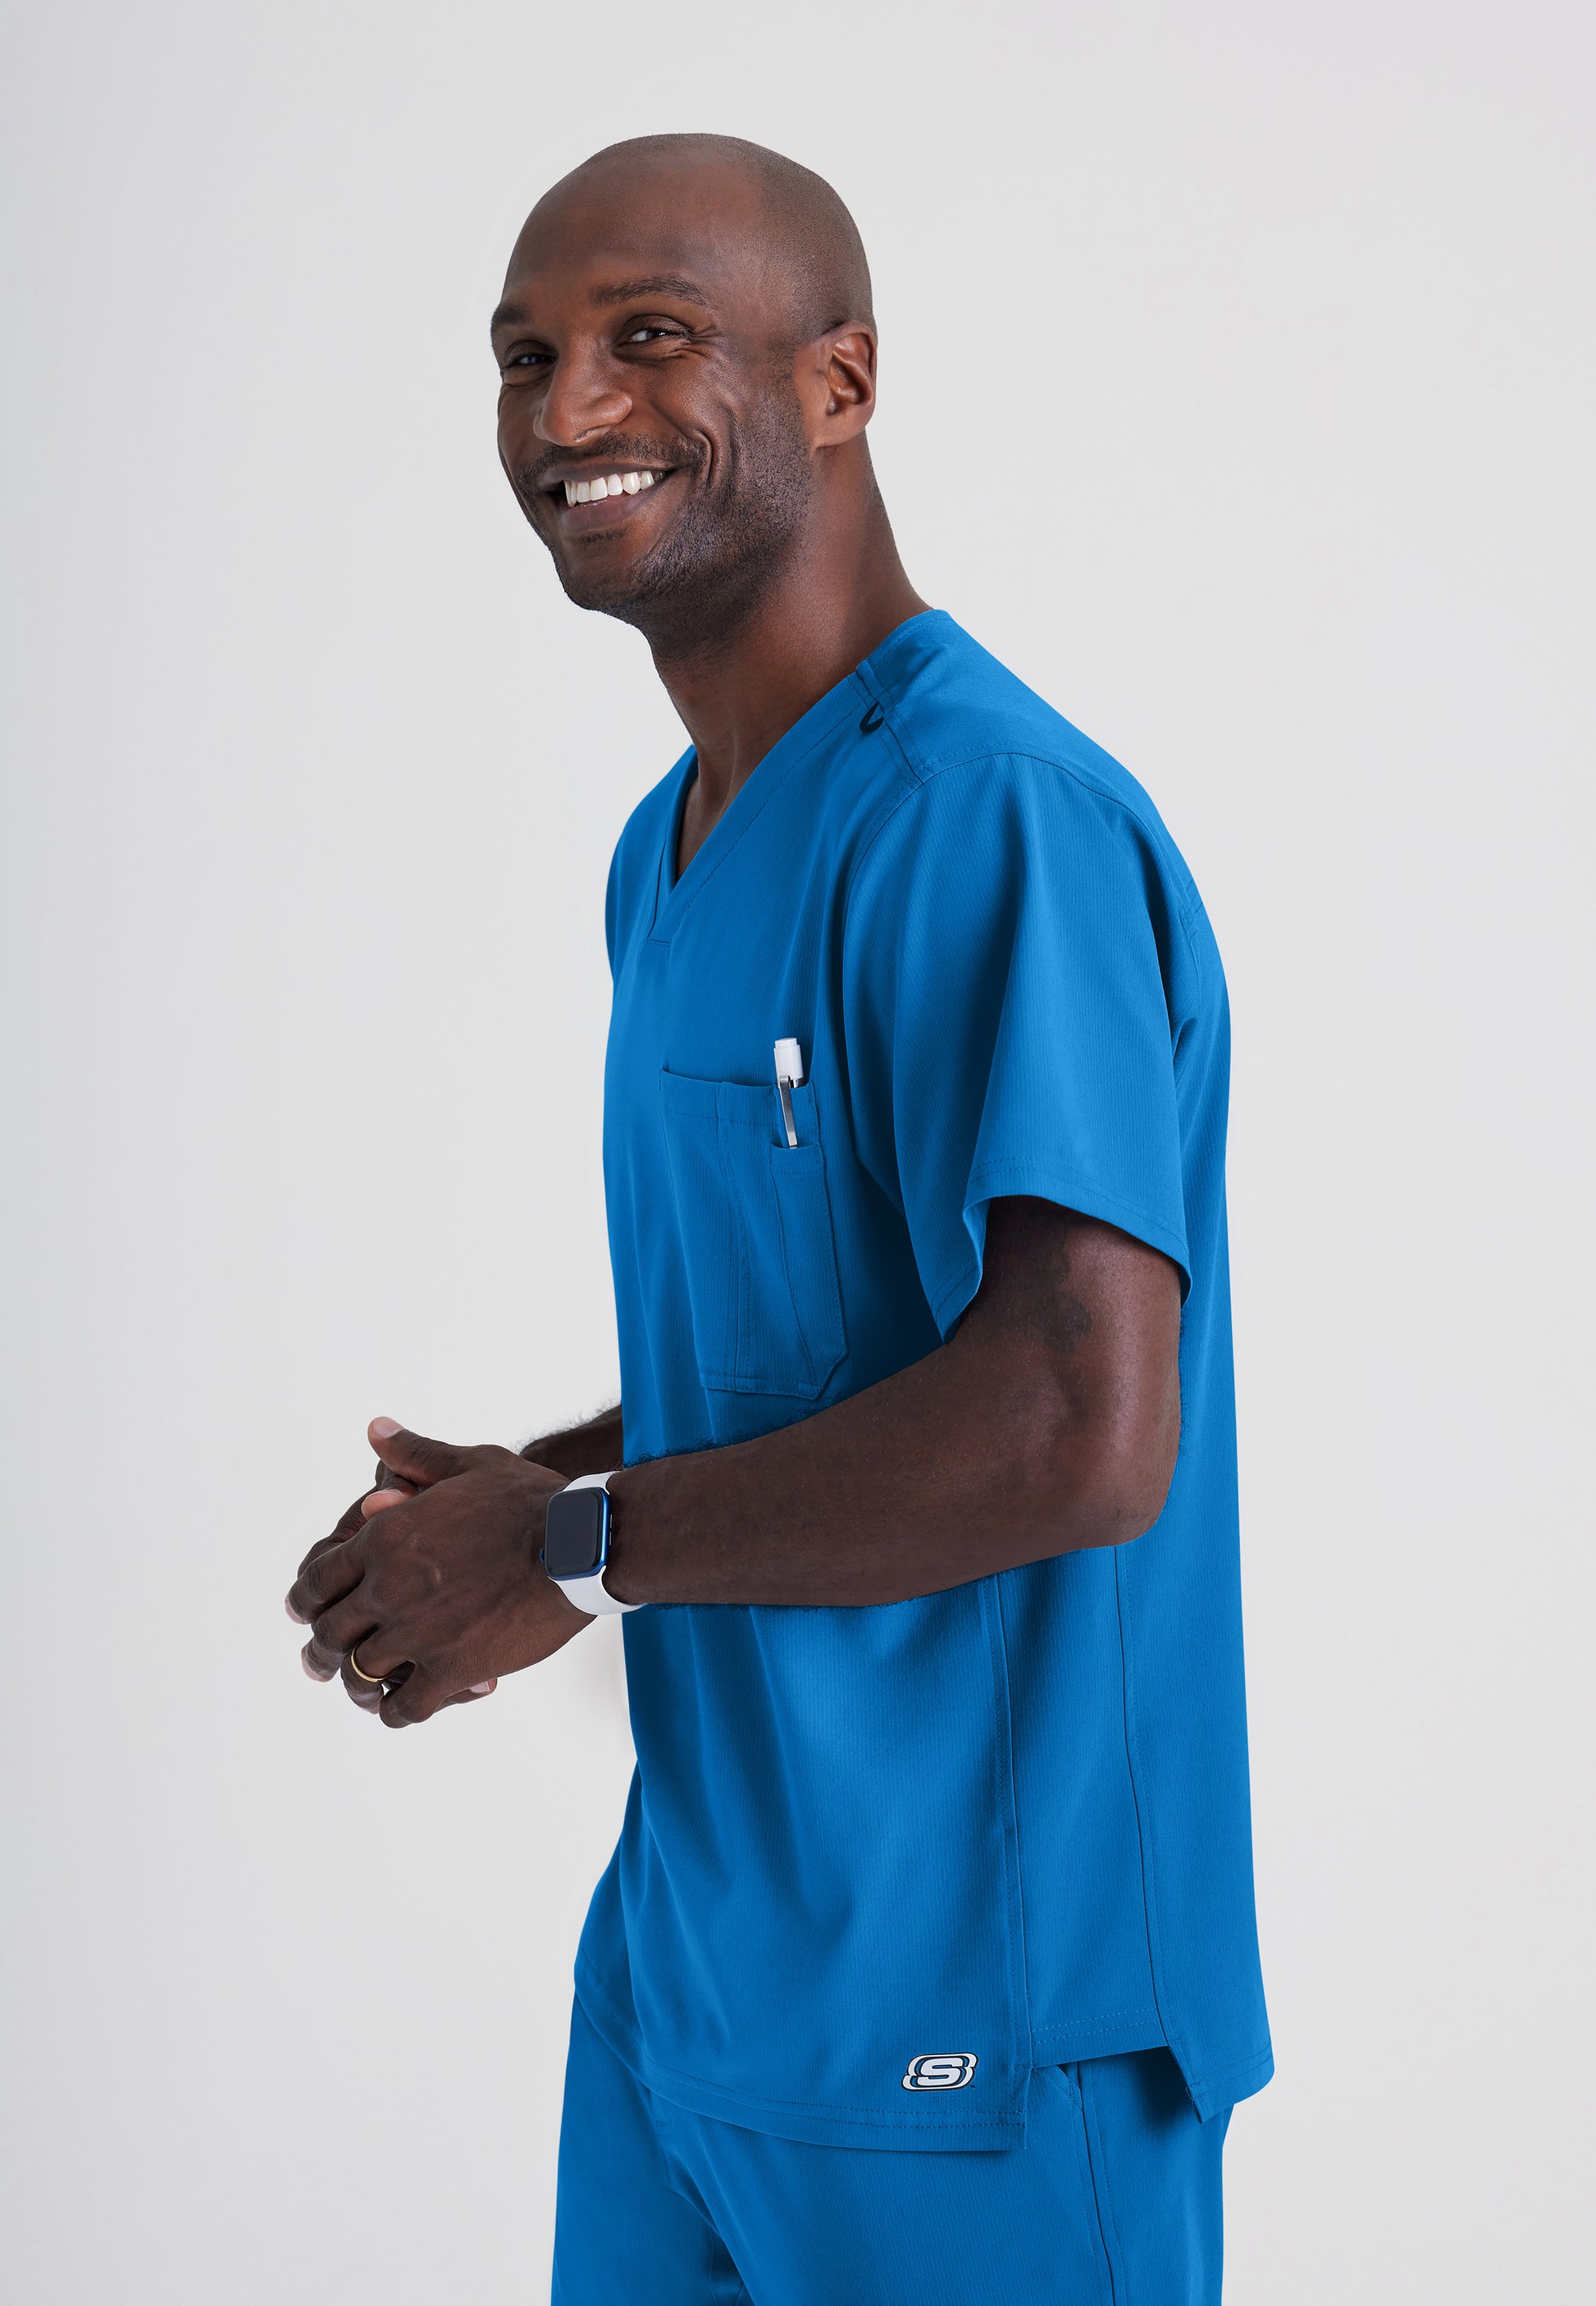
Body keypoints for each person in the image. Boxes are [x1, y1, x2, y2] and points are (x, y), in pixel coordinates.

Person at [285, 133, 1271, 2303]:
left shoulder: (989, 820)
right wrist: (529, 1499)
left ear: (841, 382)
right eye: (523, 356)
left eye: (650, 337)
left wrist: (570, 1541)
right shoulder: (667, 853)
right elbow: (837, 1351)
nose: (570, 411)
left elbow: (1077, 1425)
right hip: (694, 1987)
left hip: (984, 2022)